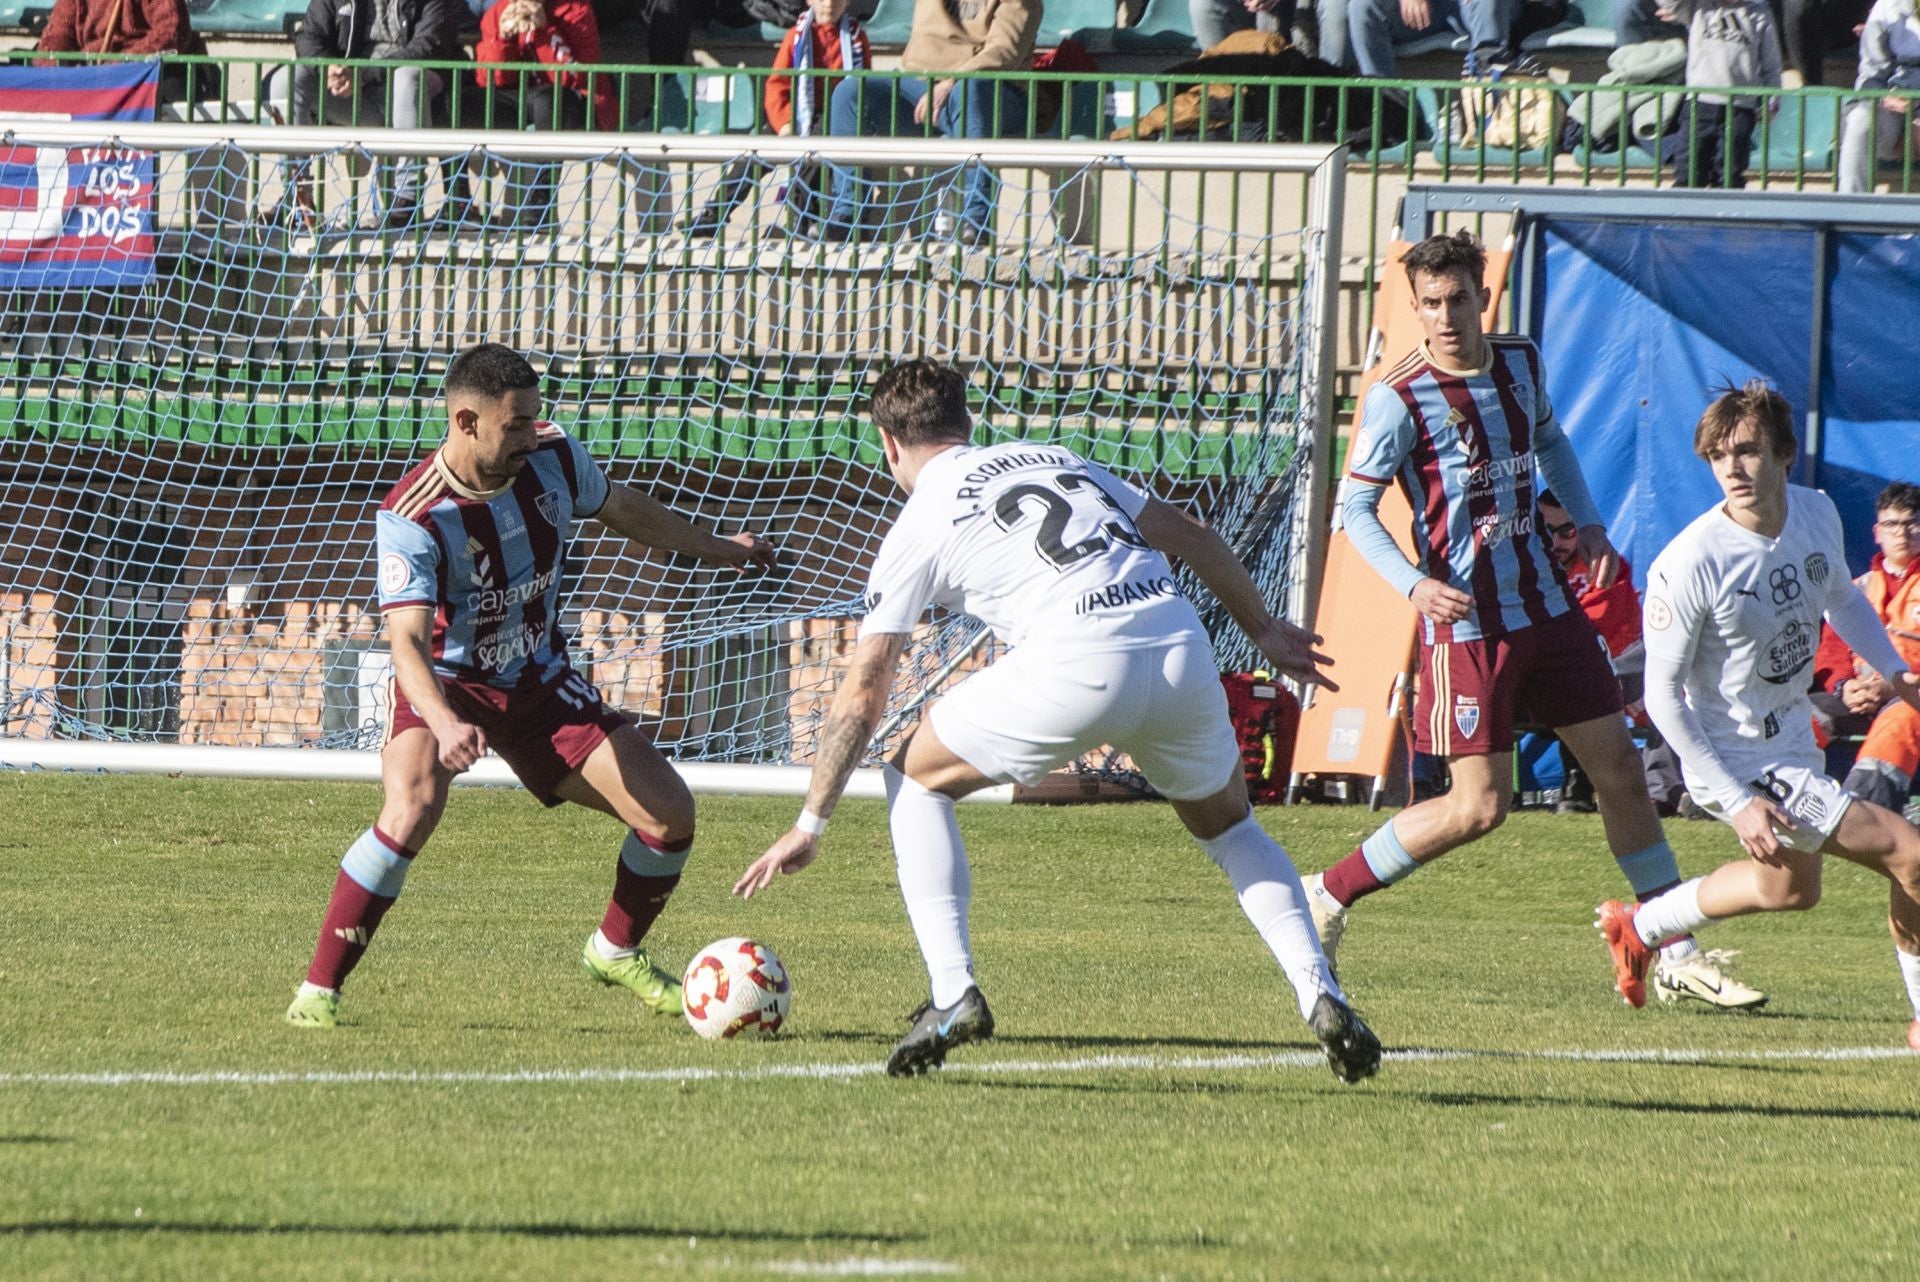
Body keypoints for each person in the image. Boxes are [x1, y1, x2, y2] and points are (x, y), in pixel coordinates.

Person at [730, 359, 1381, 1084]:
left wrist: (810, 822)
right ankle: (1320, 992)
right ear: (968, 424)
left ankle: (952, 994)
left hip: (1079, 659)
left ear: (887, 443)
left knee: (912, 777)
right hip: (1175, 642)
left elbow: (861, 695)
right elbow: (1193, 535)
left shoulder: (918, 522)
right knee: (1231, 829)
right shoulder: (1057, 457)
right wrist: (1261, 629)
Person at [1303, 230, 1765, 1012]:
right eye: (1430, 305)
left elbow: (1549, 438)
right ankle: (1326, 892)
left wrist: (1586, 522)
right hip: (1469, 623)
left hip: (1548, 606)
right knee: (1479, 808)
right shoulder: (1399, 396)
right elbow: (1352, 508)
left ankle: (1671, 943)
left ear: (1483, 298)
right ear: (1415, 309)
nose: (1445, 317)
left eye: (1457, 300)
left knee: (1619, 769)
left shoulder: (1519, 361)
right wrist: (1414, 586)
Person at [284, 343, 778, 1029]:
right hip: (449, 688)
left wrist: (723, 548)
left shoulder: (553, 455)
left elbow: (625, 510)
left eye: (533, 420)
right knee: (412, 806)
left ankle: (614, 950)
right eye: (514, 424)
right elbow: (404, 644)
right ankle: (318, 993)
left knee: (669, 815)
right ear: (465, 422)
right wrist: (447, 723)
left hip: (540, 683)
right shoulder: (413, 516)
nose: (529, 434)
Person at [1595, 381, 1920, 1052]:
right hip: (1736, 757)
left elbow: (1843, 600)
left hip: (1791, 736)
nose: (1733, 469)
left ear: (1785, 455)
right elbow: (1662, 697)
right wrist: (1737, 800)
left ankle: (1641, 928)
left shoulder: (1815, 513)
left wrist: (1893, 672)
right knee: (1909, 854)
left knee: (1788, 890)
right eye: (1718, 456)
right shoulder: (1690, 563)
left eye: (1747, 451)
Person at [823, 0, 1040, 243]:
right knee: (850, 92)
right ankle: (846, 214)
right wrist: (932, 84)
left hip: (991, 91)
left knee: (970, 92)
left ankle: (976, 220)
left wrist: (951, 81)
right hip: (921, 88)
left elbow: (1004, 53)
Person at [263, 0, 467, 230]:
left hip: (416, 94)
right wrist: (328, 69)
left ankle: (407, 200)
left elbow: (429, 46)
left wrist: (363, 73)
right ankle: (298, 198)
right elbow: (309, 36)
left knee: (408, 76)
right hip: (354, 93)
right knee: (287, 78)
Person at [680, 0, 871, 237]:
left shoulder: (855, 38)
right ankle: (715, 213)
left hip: (833, 116)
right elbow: (777, 84)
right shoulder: (797, 35)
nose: (829, 4)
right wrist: (784, 123)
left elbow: (860, 87)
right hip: (796, 112)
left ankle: (802, 219)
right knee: (754, 156)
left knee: (816, 146)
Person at [1809, 481, 1920, 811]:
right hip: (1856, 697)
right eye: (1891, 524)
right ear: (1876, 532)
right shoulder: (1856, 589)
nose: (1901, 533)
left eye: (1912, 522)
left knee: (1902, 716)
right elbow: (1829, 650)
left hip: (1909, 695)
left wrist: (1895, 686)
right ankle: (1762, 789)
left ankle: (1864, 810)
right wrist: (1844, 687)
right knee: (1800, 715)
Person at [475, 0, 622, 229]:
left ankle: (541, 201)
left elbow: (577, 76)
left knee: (548, 100)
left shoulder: (575, 10)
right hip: (526, 98)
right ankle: (459, 201)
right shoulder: (498, 12)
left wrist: (544, 32)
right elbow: (492, 81)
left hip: (577, 101)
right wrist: (502, 37)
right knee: (456, 101)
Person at [1663, 0, 1783, 189]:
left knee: (1729, 171)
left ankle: (1727, 214)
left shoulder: (1759, 13)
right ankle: (1685, 213)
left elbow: (1771, 64)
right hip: (1699, 103)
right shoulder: (1697, 8)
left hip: (1740, 107)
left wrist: (1772, 100)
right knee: (1689, 169)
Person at [34, 0, 209, 102]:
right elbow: (57, 36)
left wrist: (119, 64)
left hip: (144, 73)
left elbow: (171, 31)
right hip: (95, 72)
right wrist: (54, 69)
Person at [1838, 0, 1920, 192]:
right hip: (1898, 97)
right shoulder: (1887, 6)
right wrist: (1883, 97)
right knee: (1860, 119)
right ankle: (1850, 209)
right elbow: (1871, 73)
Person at [1349, 0, 1524, 79]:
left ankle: (1492, 97)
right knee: (1363, 6)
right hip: (1429, 9)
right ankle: (1383, 103)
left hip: (1483, 7)